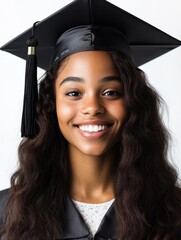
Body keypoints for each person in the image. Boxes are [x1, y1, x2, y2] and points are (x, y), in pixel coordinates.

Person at [0, 0, 181, 239]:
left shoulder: (173, 211)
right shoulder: (7, 213)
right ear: (51, 104)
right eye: (74, 93)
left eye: (111, 92)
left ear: (133, 103)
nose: (93, 107)